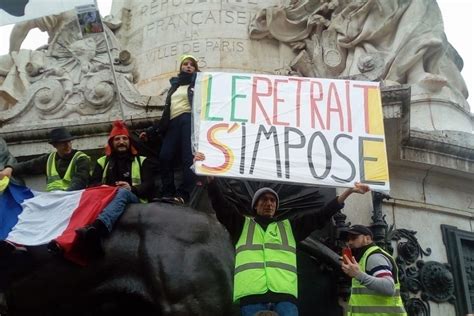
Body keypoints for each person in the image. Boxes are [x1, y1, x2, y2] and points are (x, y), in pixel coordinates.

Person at [205, 171, 370, 315]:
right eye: (264, 200)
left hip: (284, 298)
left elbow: (321, 215)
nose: (269, 203)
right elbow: (221, 206)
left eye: (272, 200)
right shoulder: (241, 225)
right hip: (252, 298)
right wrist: (210, 179)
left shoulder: (289, 228)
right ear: (255, 206)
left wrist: (348, 192)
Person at [74, 120, 155, 258]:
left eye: (124, 138)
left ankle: (99, 228)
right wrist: (104, 188)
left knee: (122, 192)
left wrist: (132, 188)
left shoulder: (142, 160)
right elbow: (92, 184)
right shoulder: (101, 162)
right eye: (117, 139)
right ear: (112, 142)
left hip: (134, 198)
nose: (121, 142)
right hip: (106, 198)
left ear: (129, 141)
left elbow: (150, 184)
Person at [140, 54, 199, 205]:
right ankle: (168, 191)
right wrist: (150, 131)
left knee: (188, 159)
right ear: (180, 67)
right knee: (164, 157)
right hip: (173, 123)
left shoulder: (198, 85)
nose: (188, 66)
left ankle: (183, 193)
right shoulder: (174, 87)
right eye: (185, 64)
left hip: (188, 120)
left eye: (192, 64)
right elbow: (166, 114)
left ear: (195, 69)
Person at [340, 225, 407, 315]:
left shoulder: (374, 257)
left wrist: (358, 275)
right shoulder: (363, 258)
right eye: (348, 239)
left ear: (367, 238)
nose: (350, 242)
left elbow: (389, 288)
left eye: (354, 237)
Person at [0, 127, 90, 191]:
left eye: (69, 142)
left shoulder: (81, 159)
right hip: (54, 201)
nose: (68, 146)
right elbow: (27, 166)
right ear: (54, 145)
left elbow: (79, 181)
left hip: (73, 199)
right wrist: (9, 169)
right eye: (63, 143)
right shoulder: (49, 159)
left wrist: (64, 196)